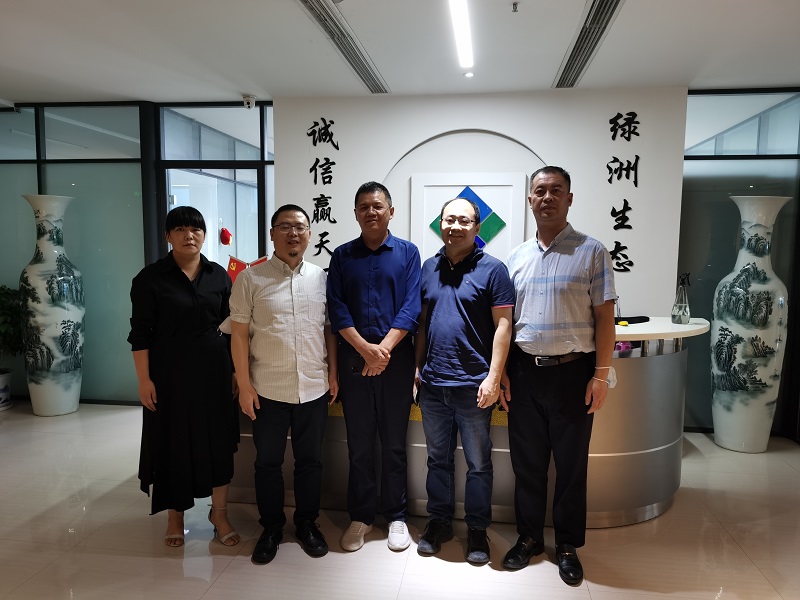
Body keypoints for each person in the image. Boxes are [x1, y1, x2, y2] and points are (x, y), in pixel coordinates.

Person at [502, 166, 616, 585]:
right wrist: (504, 373)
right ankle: (529, 538)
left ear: (569, 198)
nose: (547, 197)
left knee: (570, 466)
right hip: (524, 373)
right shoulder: (516, 258)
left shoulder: (592, 251)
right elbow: (505, 324)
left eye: (556, 190)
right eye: (540, 191)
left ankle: (567, 545)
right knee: (527, 464)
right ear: (530, 199)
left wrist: (600, 376)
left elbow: (606, 319)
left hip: (573, 374)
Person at [229, 204, 338, 565]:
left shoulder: (321, 278)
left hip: (314, 387)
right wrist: (245, 386)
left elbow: (328, 329)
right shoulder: (250, 279)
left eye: (300, 227)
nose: (293, 233)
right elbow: (238, 335)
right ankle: (272, 527)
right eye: (285, 227)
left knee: (310, 462)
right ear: (272, 233)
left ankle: (306, 523)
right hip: (267, 390)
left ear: (309, 235)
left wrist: (333, 373)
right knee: (267, 463)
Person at [129, 205, 240, 548]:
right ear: (168, 236)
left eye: (195, 229)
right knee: (172, 443)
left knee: (218, 443)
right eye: (180, 229)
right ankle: (175, 516)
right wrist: (144, 380)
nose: (189, 236)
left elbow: (232, 327)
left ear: (204, 235)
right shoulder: (150, 278)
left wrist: (236, 371)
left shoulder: (219, 276)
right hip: (169, 374)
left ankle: (219, 514)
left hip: (215, 371)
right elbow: (140, 333)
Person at [415, 197, 514, 564]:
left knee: (479, 464)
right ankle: (439, 523)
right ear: (440, 224)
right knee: (437, 460)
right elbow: (422, 324)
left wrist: (493, 377)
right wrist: (416, 368)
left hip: (474, 387)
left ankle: (476, 529)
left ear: (477, 227)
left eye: (464, 220)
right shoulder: (429, 267)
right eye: (449, 219)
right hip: (433, 385)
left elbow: (504, 326)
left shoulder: (493, 269)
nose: (455, 226)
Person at [326, 181, 421, 552]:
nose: (371, 212)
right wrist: (365, 350)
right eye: (364, 206)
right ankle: (361, 516)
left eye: (378, 206)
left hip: (396, 363)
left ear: (391, 212)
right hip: (354, 362)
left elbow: (412, 307)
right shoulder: (342, 256)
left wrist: (381, 351)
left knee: (395, 444)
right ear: (355, 214)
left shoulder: (408, 253)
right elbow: (337, 309)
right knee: (360, 444)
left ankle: (396, 516)